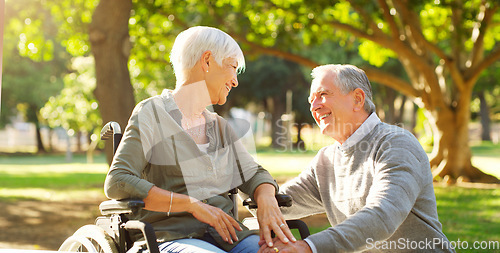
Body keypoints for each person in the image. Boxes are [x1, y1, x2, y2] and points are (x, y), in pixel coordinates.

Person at [104, 26, 295, 253]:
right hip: (171, 237)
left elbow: (253, 173)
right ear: (206, 61)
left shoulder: (219, 126)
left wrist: (266, 198)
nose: (235, 81)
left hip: (230, 237)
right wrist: (191, 205)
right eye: (233, 67)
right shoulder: (152, 113)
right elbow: (118, 180)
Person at [259, 64, 453, 253]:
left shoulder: (396, 143)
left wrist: (310, 247)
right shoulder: (326, 160)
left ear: (358, 99)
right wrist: (250, 181)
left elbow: (383, 216)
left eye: (323, 95)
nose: (314, 107)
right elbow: (277, 205)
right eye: (311, 101)